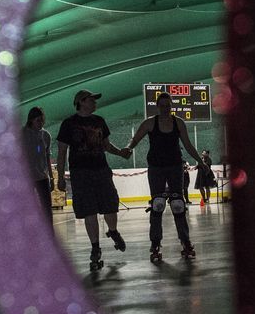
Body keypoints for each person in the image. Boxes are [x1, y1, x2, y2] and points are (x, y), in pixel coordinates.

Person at [122, 92, 208, 262]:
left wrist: (201, 162)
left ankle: (185, 241)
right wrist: (128, 148)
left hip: (175, 166)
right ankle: (155, 243)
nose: (165, 109)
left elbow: (188, 145)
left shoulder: (178, 123)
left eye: (168, 105)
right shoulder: (149, 123)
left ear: (171, 106)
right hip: (156, 167)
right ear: (157, 106)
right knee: (157, 204)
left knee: (178, 204)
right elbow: (135, 139)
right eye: (162, 106)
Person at [55, 90, 127, 271]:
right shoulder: (69, 124)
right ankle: (95, 247)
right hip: (81, 173)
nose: (94, 103)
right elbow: (62, 151)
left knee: (111, 204)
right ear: (81, 102)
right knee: (89, 210)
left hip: (101, 170)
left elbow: (106, 145)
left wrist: (120, 152)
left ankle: (113, 230)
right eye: (91, 100)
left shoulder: (99, 121)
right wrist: (61, 177)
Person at [22, 106, 53, 222]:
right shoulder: (22, 134)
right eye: (38, 120)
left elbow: (47, 157)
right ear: (31, 120)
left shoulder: (45, 135)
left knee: (47, 208)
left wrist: (51, 177)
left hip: (42, 177)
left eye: (42, 120)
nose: (41, 123)